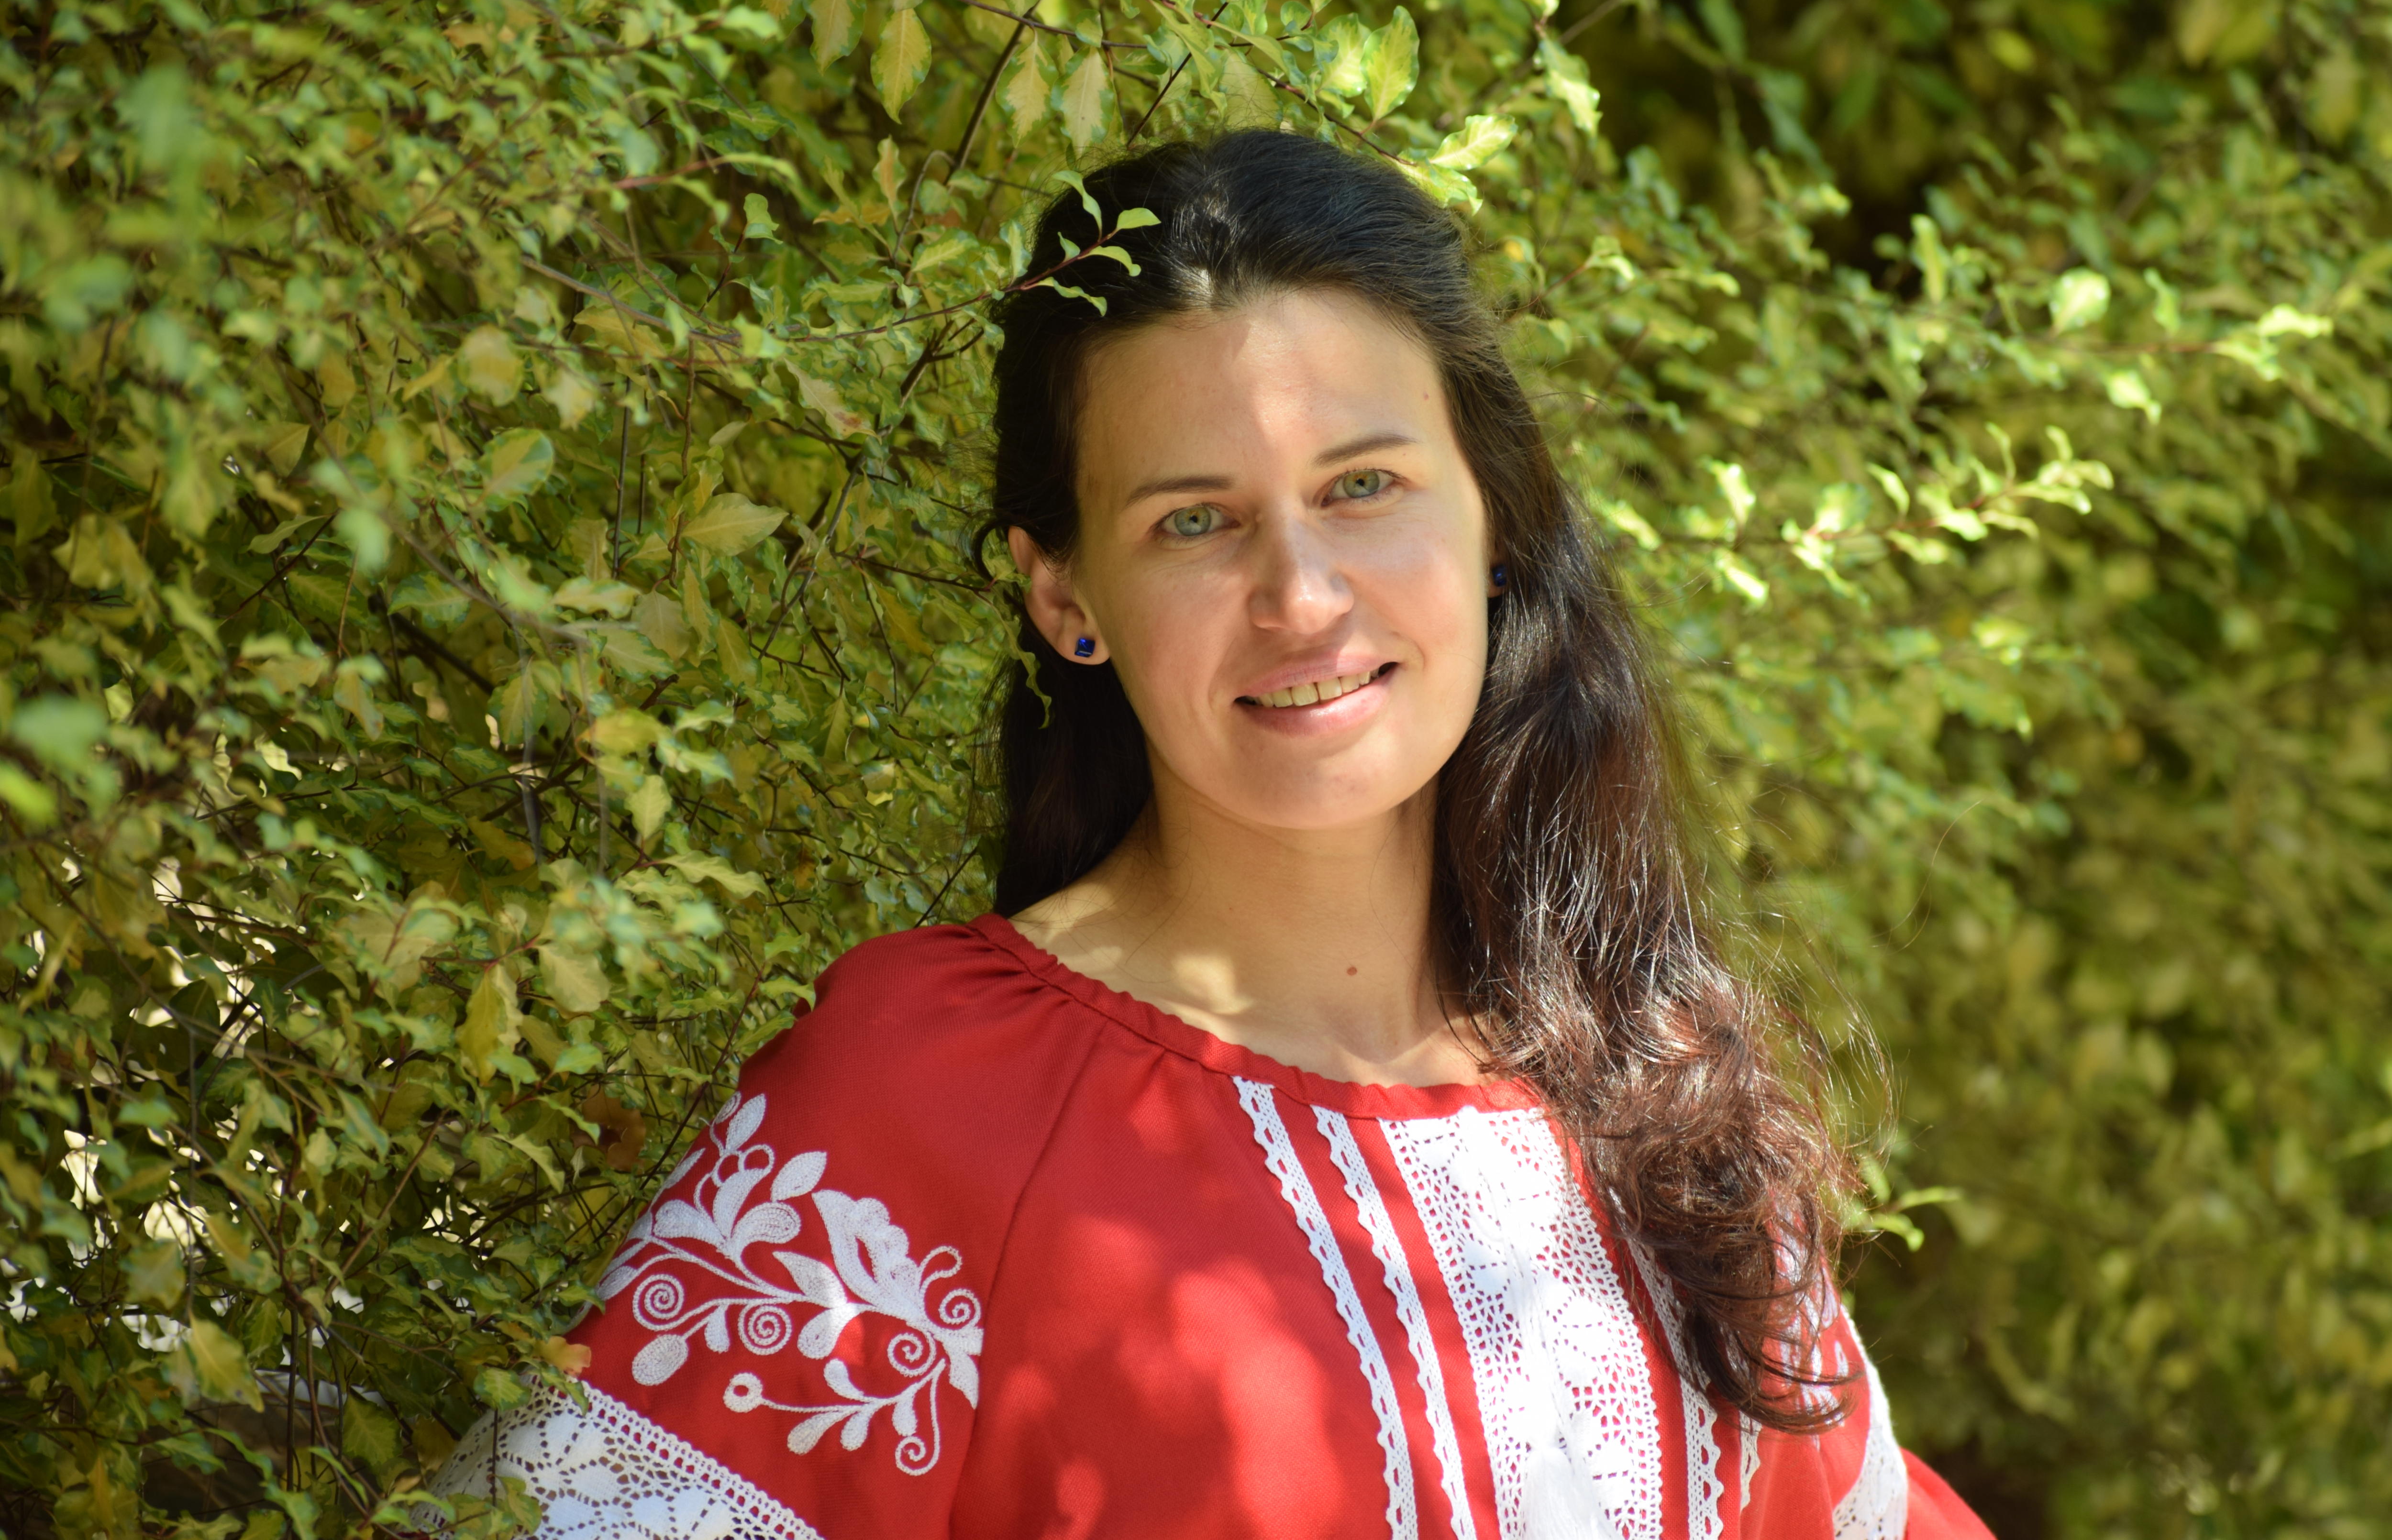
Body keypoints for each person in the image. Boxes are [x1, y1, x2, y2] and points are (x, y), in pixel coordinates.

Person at [430, 131, 1993, 1539]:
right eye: (1196, 520)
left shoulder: (1655, 1072)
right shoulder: (926, 1108)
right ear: (1064, 597)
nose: (1301, 595)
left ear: (1497, 519)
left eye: (1365, 486)